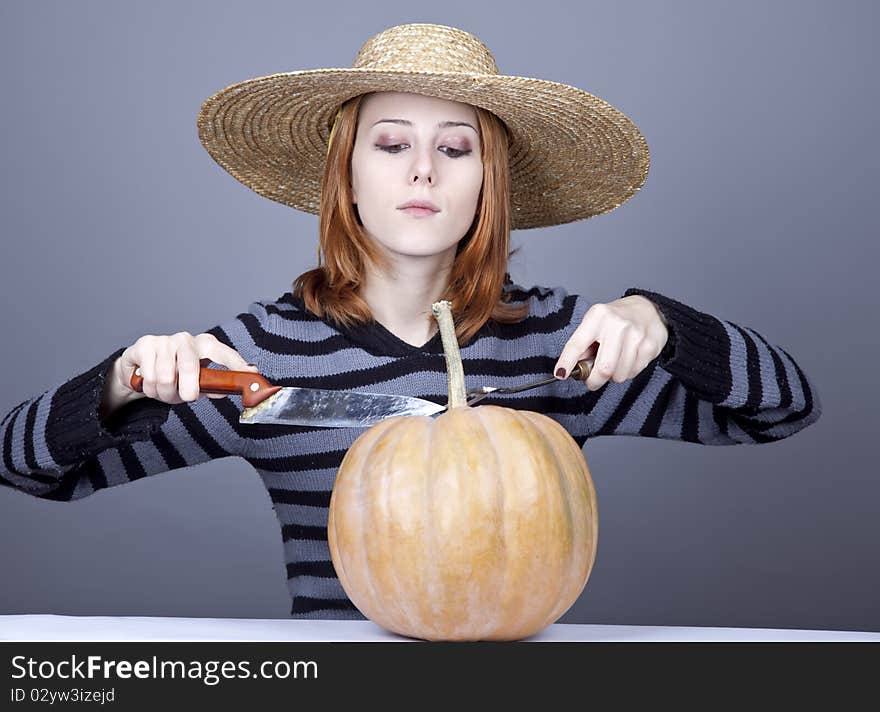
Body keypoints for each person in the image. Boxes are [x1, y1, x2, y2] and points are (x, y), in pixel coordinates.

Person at [0, 23, 821, 619]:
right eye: (391, 144)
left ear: (485, 186)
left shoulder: (564, 348)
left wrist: (664, 321)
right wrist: (120, 382)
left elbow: (783, 411)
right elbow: (28, 467)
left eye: (456, 150)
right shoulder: (257, 358)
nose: (423, 169)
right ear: (346, 176)